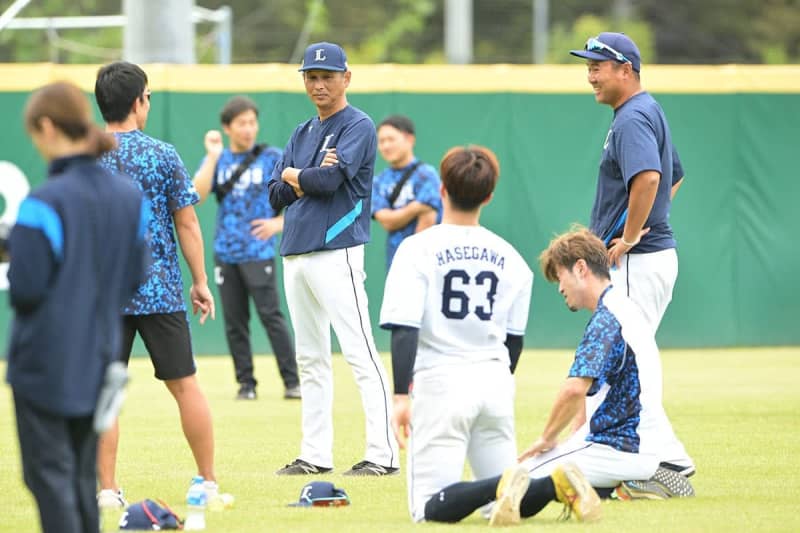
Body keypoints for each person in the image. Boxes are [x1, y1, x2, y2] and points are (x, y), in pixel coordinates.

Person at [416, 227, 695, 526]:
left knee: (515, 481)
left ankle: (437, 506)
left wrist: (547, 438)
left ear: (580, 268)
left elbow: (574, 390)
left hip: (617, 447)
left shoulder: (606, 320)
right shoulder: (625, 308)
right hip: (639, 446)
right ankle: (626, 484)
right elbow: (594, 396)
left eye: (560, 277)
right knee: (539, 471)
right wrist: (572, 440)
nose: (560, 287)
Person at [6, 81, 148, 533]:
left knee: (50, 480)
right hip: (101, 358)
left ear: (47, 128)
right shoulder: (129, 197)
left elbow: (27, 289)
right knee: (82, 479)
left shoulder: (43, 202)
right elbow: (135, 277)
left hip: (45, 364)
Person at [93, 61, 225, 507]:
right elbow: (187, 223)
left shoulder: (84, 156)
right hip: (160, 290)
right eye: (147, 96)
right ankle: (207, 480)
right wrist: (201, 280)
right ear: (137, 102)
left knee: (105, 392)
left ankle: (106, 490)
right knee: (185, 384)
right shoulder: (162, 154)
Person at [379, 145, 533, 522]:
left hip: (442, 382)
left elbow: (405, 328)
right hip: (495, 380)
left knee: (429, 508)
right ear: (490, 196)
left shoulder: (417, 249)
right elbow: (514, 341)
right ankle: (537, 483)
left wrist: (400, 394)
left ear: (442, 190)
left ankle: (508, 482)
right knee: (499, 506)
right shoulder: (511, 256)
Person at [268, 41, 399, 476]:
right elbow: (275, 194)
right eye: (312, 76)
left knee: (359, 351)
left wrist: (297, 175)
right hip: (297, 251)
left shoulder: (357, 124)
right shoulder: (302, 132)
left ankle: (382, 455)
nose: (319, 83)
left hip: (337, 250)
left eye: (327, 75)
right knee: (310, 358)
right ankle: (315, 454)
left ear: (346, 78)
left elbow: (328, 181)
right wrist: (300, 177)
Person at [569, 32, 693, 475]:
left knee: (617, 357)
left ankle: (643, 458)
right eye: (588, 67)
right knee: (627, 359)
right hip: (648, 258)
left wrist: (633, 233)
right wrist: (648, 221)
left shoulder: (632, 117)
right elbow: (673, 176)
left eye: (597, 67)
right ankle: (669, 459)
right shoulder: (644, 110)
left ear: (626, 70)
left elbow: (651, 179)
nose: (590, 76)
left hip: (635, 260)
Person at [193, 95, 300, 401]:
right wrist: (212, 156)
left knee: (271, 316)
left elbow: (302, 194)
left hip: (259, 252)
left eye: (252, 122)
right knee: (234, 321)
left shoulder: (272, 157)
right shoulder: (219, 160)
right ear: (227, 128)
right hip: (225, 253)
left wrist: (278, 225)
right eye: (241, 123)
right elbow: (197, 196)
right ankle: (246, 384)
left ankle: (292, 382)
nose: (248, 129)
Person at [371, 115, 442, 269]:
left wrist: (416, 263)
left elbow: (428, 218)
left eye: (391, 139)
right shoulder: (379, 181)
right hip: (395, 262)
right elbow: (387, 221)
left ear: (409, 139)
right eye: (381, 141)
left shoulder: (427, 175)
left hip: (425, 262)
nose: (385, 146)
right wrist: (415, 207)